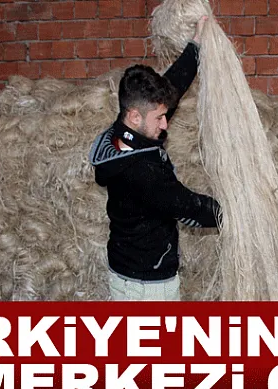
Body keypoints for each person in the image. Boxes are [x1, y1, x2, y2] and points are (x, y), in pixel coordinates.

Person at [89, 16, 220, 301]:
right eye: (159, 117)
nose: (165, 123)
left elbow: (172, 86)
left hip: (126, 270)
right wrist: (239, 213)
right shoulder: (142, 171)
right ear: (135, 116)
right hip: (148, 287)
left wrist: (195, 46)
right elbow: (190, 208)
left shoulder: (120, 134)